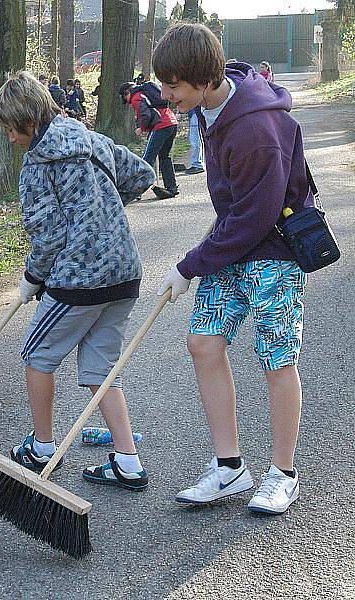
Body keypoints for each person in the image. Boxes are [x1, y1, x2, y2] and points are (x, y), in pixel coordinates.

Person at [153, 23, 312, 515]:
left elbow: (255, 217)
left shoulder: (257, 130)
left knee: (277, 359)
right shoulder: (207, 106)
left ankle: (283, 474)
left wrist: (189, 265)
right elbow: (237, 215)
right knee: (203, 343)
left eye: (173, 86)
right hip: (235, 243)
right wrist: (204, 258)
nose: (165, 95)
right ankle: (230, 468)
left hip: (275, 251)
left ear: (203, 79)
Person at [0, 71, 156, 489]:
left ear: (28, 120)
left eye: (11, 129)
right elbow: (141, 175)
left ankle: (43, 446)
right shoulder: (91, 139)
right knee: (102, 369)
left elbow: (48, 236)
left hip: (78, 280)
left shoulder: (37, 165)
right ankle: (127, 461)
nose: (10, 138)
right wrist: (106, 216)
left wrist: (33, 276)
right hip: (124, 275)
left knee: (35, 356)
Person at [119, 80, 179, 199]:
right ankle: (171, 187)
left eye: (125, 97)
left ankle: (137, 191)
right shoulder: (147, 93)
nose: (128, 102)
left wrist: (141, 128)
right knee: (164, 156)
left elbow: (145, 115)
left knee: (147, 159)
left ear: (127, 92)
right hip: (172, 122)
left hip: (161, 126)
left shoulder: (136, 97)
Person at [185, 108, 205, 174]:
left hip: (195, 114)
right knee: (196, 140)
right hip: (195, 114)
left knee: (195, 141)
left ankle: (197, 164)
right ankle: (198, 163)